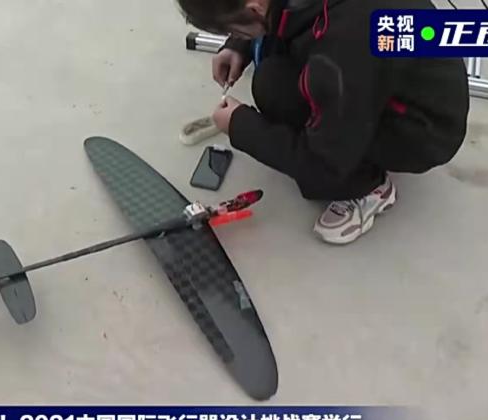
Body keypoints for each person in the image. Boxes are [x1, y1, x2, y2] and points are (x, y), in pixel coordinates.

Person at [178, 0, 469, 244]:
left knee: (277, 93)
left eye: (233, 29)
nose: (234, 34)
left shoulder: (345, 45)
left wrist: (240, 126)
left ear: (254, 8)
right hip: (383, 71)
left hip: (422, 128)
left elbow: (323, 165)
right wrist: (238, 45)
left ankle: (368, 188)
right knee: (271, 77)